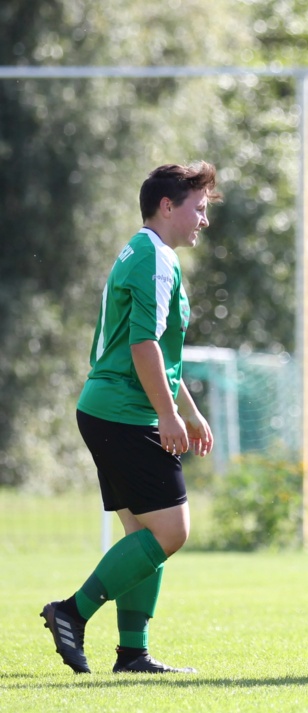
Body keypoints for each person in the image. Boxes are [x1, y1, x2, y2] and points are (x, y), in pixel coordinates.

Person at [41, 162, 220, 675]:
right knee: (171, 531)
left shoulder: (146, 252)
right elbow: (142, 346)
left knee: (144, 536)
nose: (203, 220)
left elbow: (156, 348)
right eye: (199, 208)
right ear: (168, 206)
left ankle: (133, 653)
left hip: (109, 407)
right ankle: (70, 613)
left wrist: (188, 409)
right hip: (124, 410)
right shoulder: (154, 258)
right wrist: (167, 415)